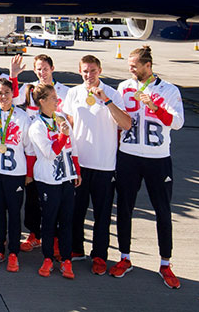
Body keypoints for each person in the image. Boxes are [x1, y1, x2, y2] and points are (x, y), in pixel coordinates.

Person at [111, 46, 184, 289]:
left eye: (134, 66)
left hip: (158, 158)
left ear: (147, 66)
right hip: (128, 156)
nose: (130, 69)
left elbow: (178, 122)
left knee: (162, 211)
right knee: (124, 208)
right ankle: (125, 258)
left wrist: (155, 108)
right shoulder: (124, 87)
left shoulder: (169, 90)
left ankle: (165, 263)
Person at [64, 55, 130, 275]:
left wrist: (107, 101)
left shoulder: (112, 94)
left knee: (102, 214)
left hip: (104, 164)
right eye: (85, 71)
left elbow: (126, 124)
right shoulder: (73, 93)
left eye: (92, 70)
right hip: (80, 163)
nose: (88, 75)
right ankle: (76, 249)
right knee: (76, 211)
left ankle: (100, 255)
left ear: (99, 71)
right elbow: (70, 124)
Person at [28, 84, 81, 280]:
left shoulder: (61, 118)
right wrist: (62, 135)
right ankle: (48, 258)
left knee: (67, 220)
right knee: (49, 221)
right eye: (53, 98)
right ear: (42, 101)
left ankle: (66, 259)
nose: (57, 101)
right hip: (48, 180)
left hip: (67, 178)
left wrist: (76, 170)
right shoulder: (36, 126)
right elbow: (50, 153)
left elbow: (72, 147)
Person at [0, 79, 32, 272]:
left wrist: (28, 173)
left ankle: (13, 252)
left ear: (13, 94)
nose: (3, 96)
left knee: (13, 213)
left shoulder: (22, 116)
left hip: (15, 172)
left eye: (6, 93)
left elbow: (29, 147)